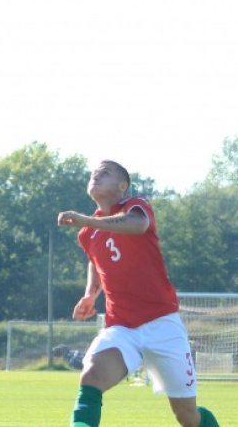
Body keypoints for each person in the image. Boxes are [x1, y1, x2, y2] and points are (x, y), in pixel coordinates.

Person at [57, 160, 219, 427]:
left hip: (163, 324)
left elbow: (137, 225)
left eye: (105, 172)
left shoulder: (136, 206)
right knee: (91, 378)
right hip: (121, 327)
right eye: (94, 172)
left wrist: (87, 220)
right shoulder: (87, 233)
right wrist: (90, 294)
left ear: (122, 186)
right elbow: (95, 261)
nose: (96, 175)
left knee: (188, 417)